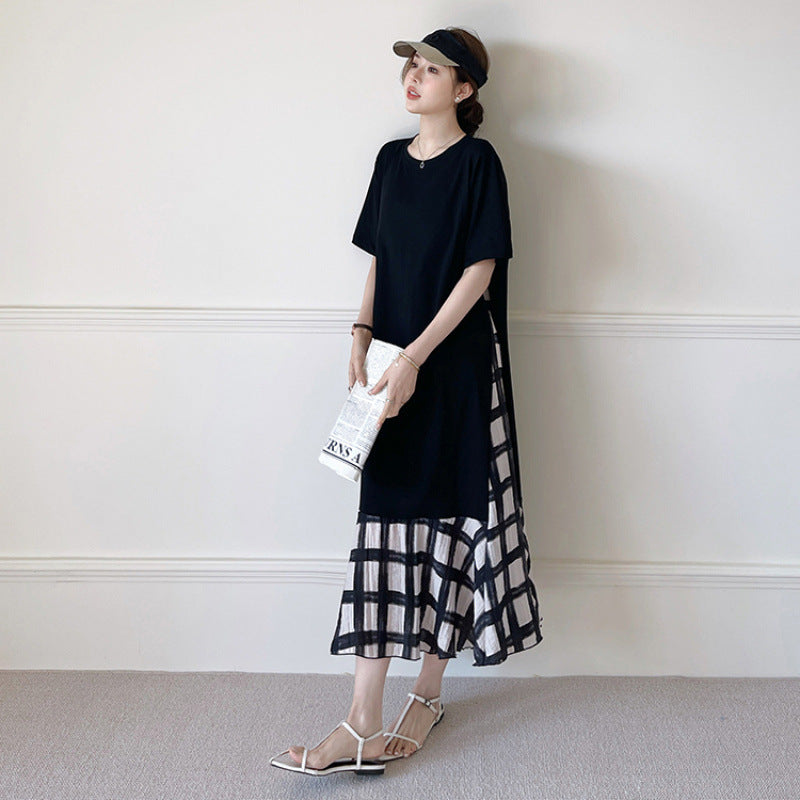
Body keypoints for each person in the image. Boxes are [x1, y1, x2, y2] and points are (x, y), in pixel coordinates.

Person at [271, 26, 543, 778]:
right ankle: (362, 719)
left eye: (432, 70)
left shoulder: (479, 163)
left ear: (465, 88)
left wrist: (418, 356)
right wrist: (362, 334)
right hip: (392, 364)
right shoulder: (390, 160)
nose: (414, 78)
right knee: (384, 525)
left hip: (454, 367)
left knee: (451, 521)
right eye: (411, 67)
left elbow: (480, 269)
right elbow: (381, 260)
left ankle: (425, 694)